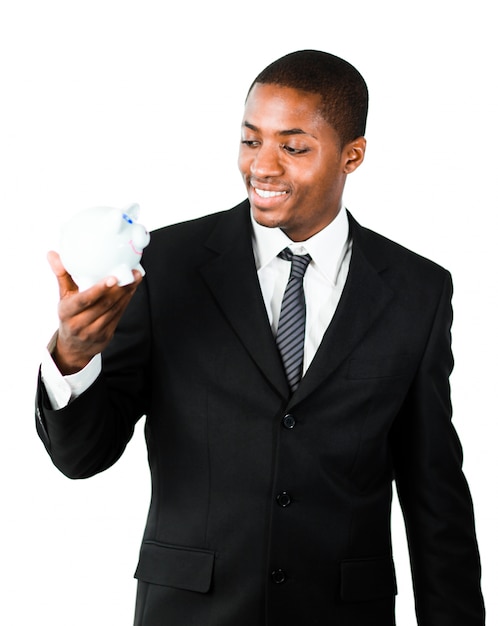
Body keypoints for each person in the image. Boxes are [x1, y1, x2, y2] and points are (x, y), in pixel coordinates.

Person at [36, 50, 485, 626]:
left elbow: (434, 494)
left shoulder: (417, 290)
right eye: (251, 141)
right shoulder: (166, 268)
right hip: (191, 612)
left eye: (293, 147)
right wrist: (74, 354)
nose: (263, 167)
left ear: (353, 156)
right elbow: (82, 457)